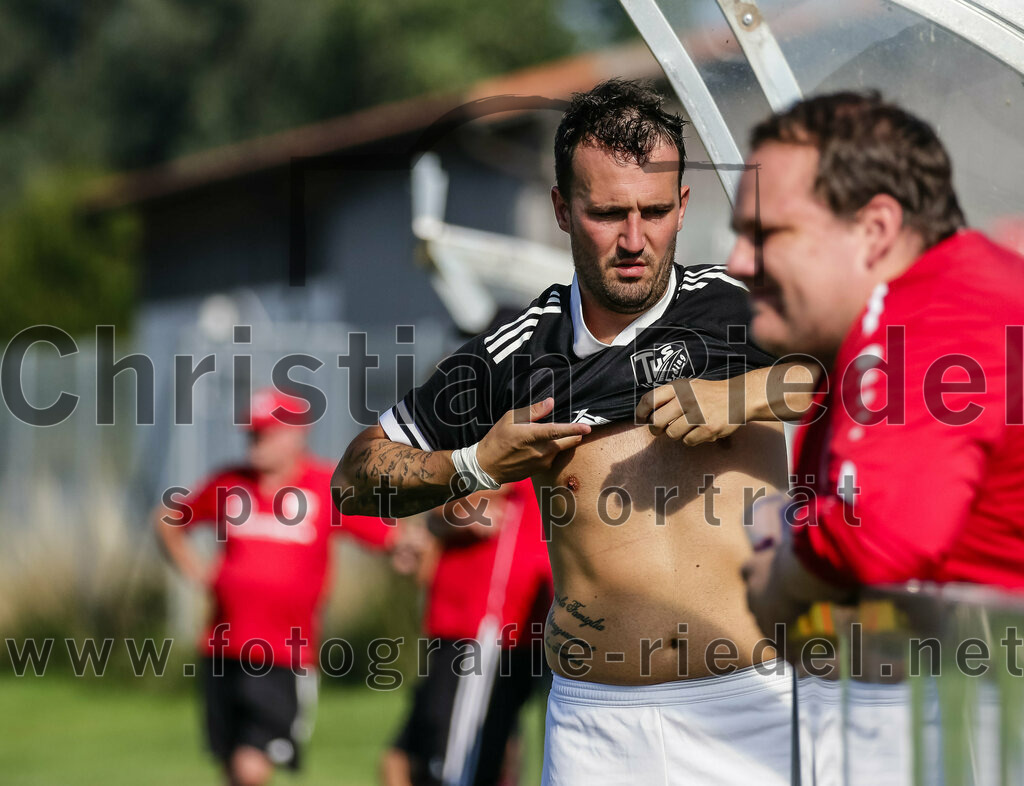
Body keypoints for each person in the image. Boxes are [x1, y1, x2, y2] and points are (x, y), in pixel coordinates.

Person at [335, 79, 812, 785]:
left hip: (754, 708)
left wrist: (751, 393)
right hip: (600, 731)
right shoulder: (520, 352)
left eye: (654, 212)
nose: (633, 239)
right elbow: (355, 478)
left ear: (684, 206)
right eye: (607, 212)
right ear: (562, 209)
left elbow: (893, 365)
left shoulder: (745, 307)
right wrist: (475, 462)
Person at [727, 91, 1024, 632]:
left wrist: (782, 578)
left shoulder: (932, 317)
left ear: (875, 231)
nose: (738, 262)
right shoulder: (939, 305)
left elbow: (880, 534)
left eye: (765, 234)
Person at [154, 387, 397, 786]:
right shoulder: (230, 484)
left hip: (284, 653)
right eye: (252, 433)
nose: (255, 443)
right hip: (222, 646)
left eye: (265, 433)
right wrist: (194, 571)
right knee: (231, 763)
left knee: (253, 766)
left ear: (295, 435)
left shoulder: (324, 486)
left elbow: (385, 534)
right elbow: (167, 520)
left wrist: (411, 548)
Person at [381, 479, 551, 786]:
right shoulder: (493, 440)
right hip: (475, 626)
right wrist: (455, 515)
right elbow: (439, 494)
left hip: (523, 628)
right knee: (434, 755)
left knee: (488, 750)